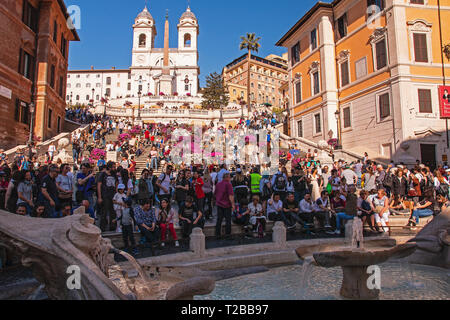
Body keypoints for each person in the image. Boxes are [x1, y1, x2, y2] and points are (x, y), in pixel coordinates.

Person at [97, 161, 118, 232]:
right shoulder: (102, 174)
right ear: (109, 167)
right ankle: (103, 227)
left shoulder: (114, 175)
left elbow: (116, 183)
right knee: (104, 212)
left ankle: (112, 226)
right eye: (113, 167)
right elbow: (99, 185)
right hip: (105, 195)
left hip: (112, 195)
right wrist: (99, 197)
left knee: (113, 211)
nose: (115, 168)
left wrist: (116, 192)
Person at [214, 173, 235, 237]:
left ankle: (217, 234)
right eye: (229, 177)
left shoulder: (218, 184)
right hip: (227, 205)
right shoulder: (228, 184)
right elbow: (230, 196)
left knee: (219, 220)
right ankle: (227, 235)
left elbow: (215, 194)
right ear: (227, 177)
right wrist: (233, 204)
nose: (230, 179)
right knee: (228, 220)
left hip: (219, 204)